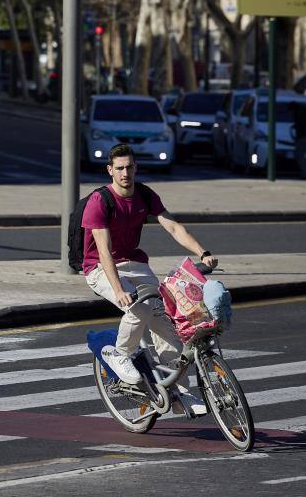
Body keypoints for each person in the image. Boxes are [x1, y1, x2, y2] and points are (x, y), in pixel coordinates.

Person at [82, 143, 218, 416]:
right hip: (100, 268)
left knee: (166, 323)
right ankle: (118, 355)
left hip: (136, 264)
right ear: (110, 170)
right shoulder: (100, 201)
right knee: (138, 307)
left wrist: (201, 252)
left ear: (136, 168)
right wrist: (119, 289)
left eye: (129, 167)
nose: (125, 173)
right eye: (119, 168)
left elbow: (172, 226)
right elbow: (104, 252)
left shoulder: (144, 194)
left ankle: (180, 391)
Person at [290, 101, 306, 179]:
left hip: (303, 137)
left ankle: (305, 173)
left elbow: (301, 127)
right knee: (303, 155)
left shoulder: (299, 114)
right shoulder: (305, 112)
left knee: (299, 155)